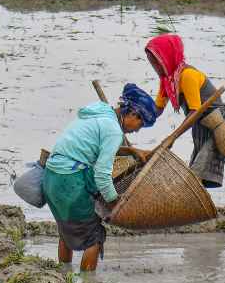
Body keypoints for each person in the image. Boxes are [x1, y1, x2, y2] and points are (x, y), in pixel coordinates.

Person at [42, 83, 157, 271]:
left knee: (66, 230)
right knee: (93, 236)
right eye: (140, 123)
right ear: (133, 113)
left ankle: (63, 276)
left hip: (51, 177)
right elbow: (102, 175)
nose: (137, 129)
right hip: (69, 180)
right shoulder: (113, 130)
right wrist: (114, 202)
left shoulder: (100, 113)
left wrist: (130, 150)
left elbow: (92, 145)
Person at [145, 33, 225, 188]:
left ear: (167, 57)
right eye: (151, 63)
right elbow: (157, 109)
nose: (155, 67)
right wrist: (134, 116)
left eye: (156, 62)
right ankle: (196, 208)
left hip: (216, 126)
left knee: (197, 173)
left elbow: (195, 112)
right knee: (196, 170)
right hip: (200, 128)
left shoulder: (187, 76)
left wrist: (173, 136)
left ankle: (196, 208)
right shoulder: (167, 81)